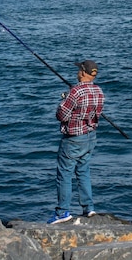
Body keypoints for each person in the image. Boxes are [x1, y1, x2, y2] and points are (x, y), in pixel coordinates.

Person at [47, 60, 104, 224]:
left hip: (73, 139)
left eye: (79, 69)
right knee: (83, 171)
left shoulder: (76, 92)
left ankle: (63, 212)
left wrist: (64, 99)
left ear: (83, 72)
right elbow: (95, 113)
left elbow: (61, 115)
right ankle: (89, 208)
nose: (77, 71)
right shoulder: (99, 91)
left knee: (64, 174)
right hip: (90, 137)